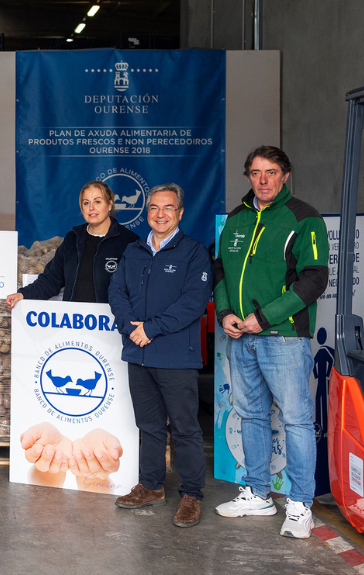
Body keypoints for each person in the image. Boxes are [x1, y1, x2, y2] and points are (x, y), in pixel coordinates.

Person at [213, 146, 329, 539]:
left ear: (285, 175)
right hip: (240, 337)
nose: (263, 180)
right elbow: (220, 269)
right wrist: (226, 313)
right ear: (248, 176)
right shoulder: (237, 218)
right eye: (256, 172)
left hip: (281, 338)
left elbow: (313, 280)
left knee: (296, 420)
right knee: (252, 416)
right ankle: (258, 493)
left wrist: (262, 318)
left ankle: (300, 505)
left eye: (271, 172)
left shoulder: (304, 217)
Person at [108, 183, 213, 528]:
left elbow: (193, 303)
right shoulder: (134, 251)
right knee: (149, 426)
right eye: (154, 208)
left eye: (168, 208)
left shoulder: (194, 252)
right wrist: (129, 325)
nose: (160, 214)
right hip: (138, 354)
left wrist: (150, 328)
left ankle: (192, 494)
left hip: (175, 356)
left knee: (184, 428)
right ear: (147, 213)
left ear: (180, 213)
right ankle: (151, 485)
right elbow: (117, 291)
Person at [7, 181, 139, 310]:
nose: (91, 207)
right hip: (74, 324)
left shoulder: (128, 241)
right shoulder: (73, 239)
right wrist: (23, 294)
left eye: (97, 201)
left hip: (111, 326)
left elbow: (138, 290)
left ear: (110, 205)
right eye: (86, 203)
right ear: (82, 208)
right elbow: (51, 280)